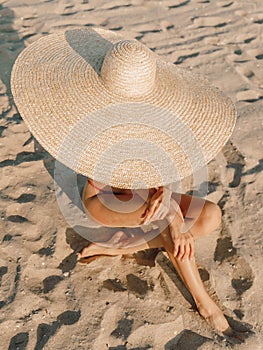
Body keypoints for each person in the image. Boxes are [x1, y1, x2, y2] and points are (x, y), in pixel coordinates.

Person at [11, 27, 244, 339]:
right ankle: (205, 304)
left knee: (211, 216)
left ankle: (124, 246)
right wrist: (172, 216)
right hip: (105, 195)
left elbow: (155, 166)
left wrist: (163, 192)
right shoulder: (94, 115)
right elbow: (124, 177)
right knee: (168, 225)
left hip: (141, 191)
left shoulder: (154, 111)